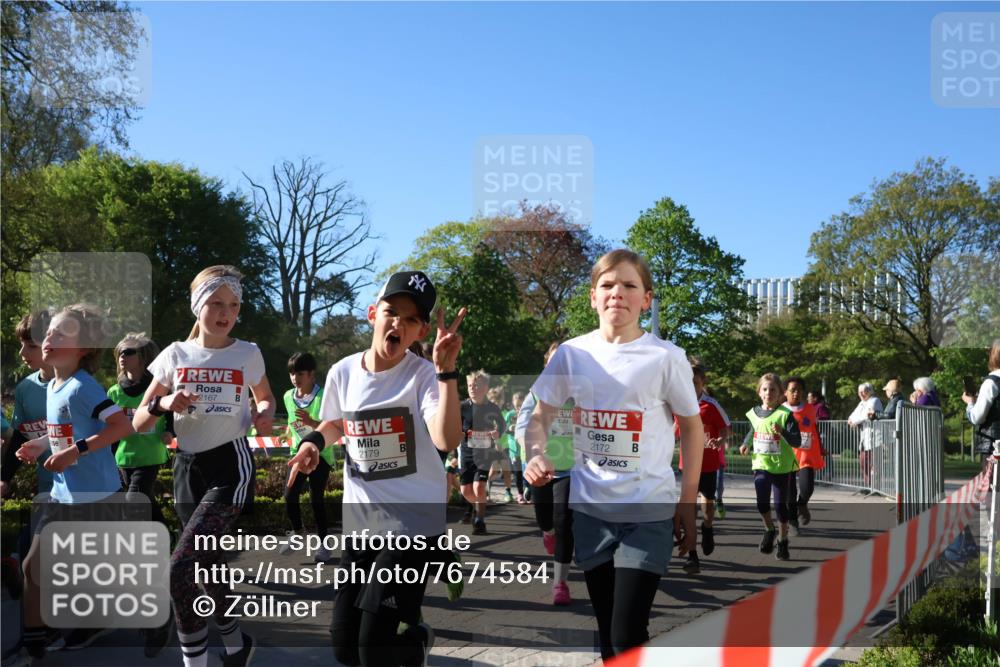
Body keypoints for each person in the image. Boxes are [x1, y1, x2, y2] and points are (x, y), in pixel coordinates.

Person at [523, 249, 704, 660]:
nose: (616, 293)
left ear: (647, 298)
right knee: (608, 630)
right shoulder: (571, 354)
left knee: (626, 633)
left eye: (629, 285)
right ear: (592, 296)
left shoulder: (666, 357)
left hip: (648, 512)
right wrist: (536, 454)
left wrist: (688, 502)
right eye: (607, 285)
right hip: (590, 513)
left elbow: (692, 428)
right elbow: (539, 417)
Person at [287, 270, 466, 667]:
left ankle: (408, 628)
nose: (398, 323)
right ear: (373, 314)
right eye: (391, 312)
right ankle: (416, 638)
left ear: (420, 332)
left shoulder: (424, 377)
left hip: (412, 526)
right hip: (362, 522)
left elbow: (445, 439)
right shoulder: (343, 372)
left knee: (373, 648)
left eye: (411, 319)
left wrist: (447, 371)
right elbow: (334, 423)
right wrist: (312, 444)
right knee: (345, 646)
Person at [134, 265, 275, 667]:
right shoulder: (174, 355)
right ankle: (235, 645)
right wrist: (164, 403)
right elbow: (140, 420)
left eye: (233, 305)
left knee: (178, 570)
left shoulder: (247, 352)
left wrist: (264, 412)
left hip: (229, 466)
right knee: (208, 567)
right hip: (187, 468)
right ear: (198, 305)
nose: (225, 312)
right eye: (215, 303)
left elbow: (266, 397)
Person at [15, 304, 135, 657]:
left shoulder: (84, 387)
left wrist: (75, 451)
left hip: (96, 497)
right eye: (49, 331)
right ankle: (34, 640)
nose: (50, 337)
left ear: (84, 348)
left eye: (61, 333)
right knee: (33, 567)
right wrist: (40, 446)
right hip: (63, 495)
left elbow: (121, 427)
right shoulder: (54, 385)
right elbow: (64, 435)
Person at [107, 332, 175, 656]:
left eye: (129, 352)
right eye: (120, 352)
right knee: (147, 519)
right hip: (123, 461)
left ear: (143, 357)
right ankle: (171, 547)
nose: (123, 357)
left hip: (150, 459)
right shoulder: (112, 391)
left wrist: (171, 430)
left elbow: (169, 406)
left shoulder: (156, 385)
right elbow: (108, 432)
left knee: (134, 513)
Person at [517, 341, 576, 605]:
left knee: (565, 523)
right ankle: (547, 532)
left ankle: (560, 582)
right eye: (553, 363)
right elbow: (522, 428)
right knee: (546, 520)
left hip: (569, 468)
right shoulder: (535, 393)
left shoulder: (581, 391)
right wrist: (533, 454)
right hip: (541, 467)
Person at [739, 373, 802, 561]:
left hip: (781, 468)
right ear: (759, 392)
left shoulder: (786, 415)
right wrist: (745, 443)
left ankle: (782, 541)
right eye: (765, 389)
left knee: (780, 507)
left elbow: (797, 441)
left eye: (773, 389)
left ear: (781, 393)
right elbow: (753, 429)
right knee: (762, 504)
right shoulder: (754, 413)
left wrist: (782, 432)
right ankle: (769, 529)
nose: (768, 393)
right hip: (761, 464)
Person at [675, 358, 729, 575]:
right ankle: (692, 556)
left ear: (702, 382)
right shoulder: (678, 403)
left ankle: (708, 528)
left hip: (708, 464)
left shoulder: (711, 405)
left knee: (707, 509)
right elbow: (673, 427)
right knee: (688, 510)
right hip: (687, 465)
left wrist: (721, 440)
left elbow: (726, 427)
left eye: (695, 382)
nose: (691, 386)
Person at [280, 352, 333, 562]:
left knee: (316, 499)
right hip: (297, 454)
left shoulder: (323, 396)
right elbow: (292, 424)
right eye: (292, 373)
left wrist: (311, 422)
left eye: (300, 373)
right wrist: (286, 433)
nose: (295, 378)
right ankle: (298, 531)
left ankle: (324, 546)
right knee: (289, 495)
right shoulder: (286, 396)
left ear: (311, 374)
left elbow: (330, 426)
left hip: (322, 455)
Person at [2, 312, 55, 502]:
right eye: (21, 344)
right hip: (48, 487)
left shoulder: (80, 385)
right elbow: (20, 434)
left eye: (31, 346)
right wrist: (4, 478)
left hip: (85, 489)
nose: (22, 353)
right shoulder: (25, 388)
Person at [459, 370, 505, 535]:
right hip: (466, 453)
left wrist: (497, 432)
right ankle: (476, 507)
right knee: (465, 491)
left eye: (476, 385)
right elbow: (454, 426)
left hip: (484, 452)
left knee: (479, 486)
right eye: (470, 385)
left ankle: (480, 521)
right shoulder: (462, 406)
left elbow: (501, 424)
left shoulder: (492, 408)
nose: (472, 388)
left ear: (485, 388)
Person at [783, 377, 826, 535]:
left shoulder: (810, 408)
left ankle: (802, 504)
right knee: (790, 492)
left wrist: (821, 447)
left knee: (807, 487)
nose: (796, 393)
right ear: (785, 392)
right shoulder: (780, 410)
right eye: (792, 390)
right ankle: (793, 522)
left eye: (799, 390)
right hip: (786, 455)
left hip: (805, 454)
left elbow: (814, 429)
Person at [962, 339, 1000, 469]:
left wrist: (970, 403)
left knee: (992, 486)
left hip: (994, 445)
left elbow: (977, 417)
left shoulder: (991, 383)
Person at [486, 385, 514, 503]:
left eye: (499, 401)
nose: (496, 404)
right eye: (494, 401)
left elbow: (506, 428)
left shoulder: (506, 413)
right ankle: (486, 490)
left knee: (507, 470)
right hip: (492, 447)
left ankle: (508, 492)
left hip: (505, 446)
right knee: (494, 471)